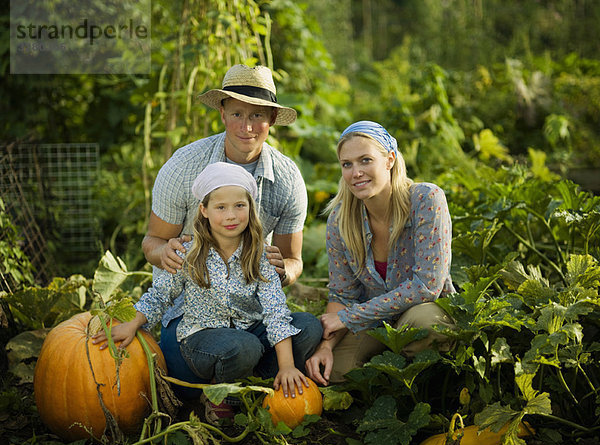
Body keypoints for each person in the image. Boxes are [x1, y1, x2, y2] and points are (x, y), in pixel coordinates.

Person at [93, 163, 322, 424]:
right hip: (202, 339)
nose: (231, 215)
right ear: (204, 210)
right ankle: (222, 395)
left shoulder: (261, 254)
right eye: (220, 207)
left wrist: (287, 365)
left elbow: (275, 311)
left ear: (250, 208)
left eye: (239, 206)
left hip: (248, 329)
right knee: (243, 346)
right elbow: (160, 294)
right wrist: (132, 324)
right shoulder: (188, 252)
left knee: (308, 326)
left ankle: (266, 382)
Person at [141, 64, 309, 400]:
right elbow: (152, 243)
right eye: (237, 113)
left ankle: (255, 383)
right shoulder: (184, 166)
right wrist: (167, 253)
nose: (247, 126)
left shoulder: (288, 180)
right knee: (241, 347)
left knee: (309, 329)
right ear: (222, 113)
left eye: (258, 115)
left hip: (251, 310)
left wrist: (282, 270)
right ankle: (218, 388)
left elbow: (294, 259)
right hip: (192, 316)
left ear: (272, 119)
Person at [306, 121, 455, 386]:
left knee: (425, 326)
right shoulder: (341, 221)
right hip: (375, 322)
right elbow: (342, 294)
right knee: (336, 372)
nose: (356, 173)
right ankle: (384, 375)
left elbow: (427, 286)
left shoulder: (425, 199)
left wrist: (349, 318)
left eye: (365, 160)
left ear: (390, 160)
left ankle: (432, 388)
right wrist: (326, 347)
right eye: (347, 164)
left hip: (424, 311)